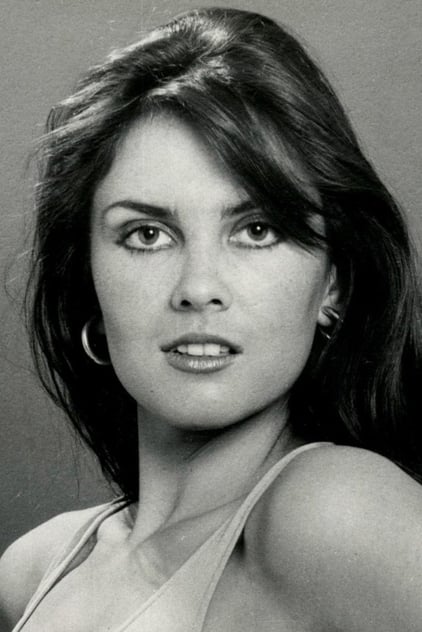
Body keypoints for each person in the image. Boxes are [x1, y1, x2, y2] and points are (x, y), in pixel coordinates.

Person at [1, 6, 421, 631]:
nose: (199, 289)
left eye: (257, 230)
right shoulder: (35, 569)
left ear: (333, 282)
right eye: (147, 234)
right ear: (87, 280)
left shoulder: (336, 509)